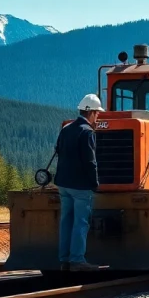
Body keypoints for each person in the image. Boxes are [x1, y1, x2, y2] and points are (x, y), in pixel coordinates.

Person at [54, 94, 104, 271]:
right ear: (91, 113)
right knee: (81, 222)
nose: (98, 116)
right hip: (81, 185)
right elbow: (90, 161)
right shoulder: (87, 132)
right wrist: (94, 182)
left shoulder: (66, 129)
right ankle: (77, 260)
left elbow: (57, 150)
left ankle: (64, 259)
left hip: (63, 183)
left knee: (66, 220)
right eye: (97, 113)